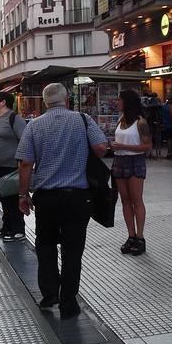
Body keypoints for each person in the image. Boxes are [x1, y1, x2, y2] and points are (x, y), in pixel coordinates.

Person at [16, 82, 108, 319]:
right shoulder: (83, 119)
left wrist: (23, 194)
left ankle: (49, 295)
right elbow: (100, 148)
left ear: (45, 103)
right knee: (72, 249)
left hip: (46, 198)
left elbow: (25, 163)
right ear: (67, 100)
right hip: (78, 197)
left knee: (45, 246)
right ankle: (69, 302)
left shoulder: (34, 126)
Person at [110, 89, 152, 256]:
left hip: (135, 161)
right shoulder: (121, 120)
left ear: (127, 102)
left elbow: (147, 146)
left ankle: (140, 237)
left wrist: (123, 147)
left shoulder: (140, 122)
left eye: (119, 100)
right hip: (119, 160)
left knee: (136, 199)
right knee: (125, 200)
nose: (117, 102)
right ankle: (131, 235)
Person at [0, 92, 27, 240]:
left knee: (11, 199)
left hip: (9, 167)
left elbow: (25, 140)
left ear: (3, 102)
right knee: (2, 198)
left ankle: (18, 229)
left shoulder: (15, 119)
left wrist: (22, 162)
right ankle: (7, 227)